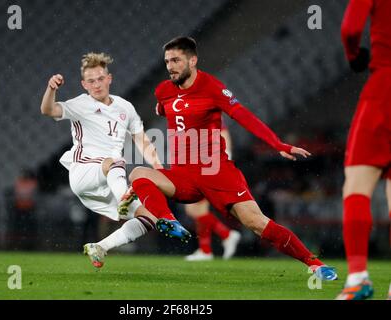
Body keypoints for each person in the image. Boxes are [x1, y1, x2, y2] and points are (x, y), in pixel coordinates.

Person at [125, 36, 337, 281]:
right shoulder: (163, 90)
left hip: (215, 171)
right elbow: (166, 106)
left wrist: (276, 143)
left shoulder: (213, 87)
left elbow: (243, 115)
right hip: (183, 174)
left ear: (192, 61)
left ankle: (315, 264)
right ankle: (168, 220)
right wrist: (162, 108)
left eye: (176, 60)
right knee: (138, 173)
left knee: (256, 223)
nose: (170, 66)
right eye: (167, 61)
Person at [40, 52, 163, 267]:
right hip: (84, 173)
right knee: (115, 161)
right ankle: (124, 197)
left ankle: (101, 247)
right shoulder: (80, 104)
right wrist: (51, 89)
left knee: (150, 218)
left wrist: (158, 167)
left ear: (109, 79)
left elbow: (142, 141)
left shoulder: (125, 108)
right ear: (84, 85)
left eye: (100, 79)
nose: (96, 84)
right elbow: (48, 110)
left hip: (109, 180)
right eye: (91, 81)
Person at [336, 0, 391, 300]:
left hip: (385, 89)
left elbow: (350, 28)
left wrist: (354, 56)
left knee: (357, 187)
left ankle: (358, 277)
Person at [184, 123, 242, 261]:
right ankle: (206, 250)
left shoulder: (207, 112)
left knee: (193, 209)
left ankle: (226, 235)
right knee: (199, 210)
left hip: (208, 165)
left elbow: (223, 134)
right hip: (201, 163)